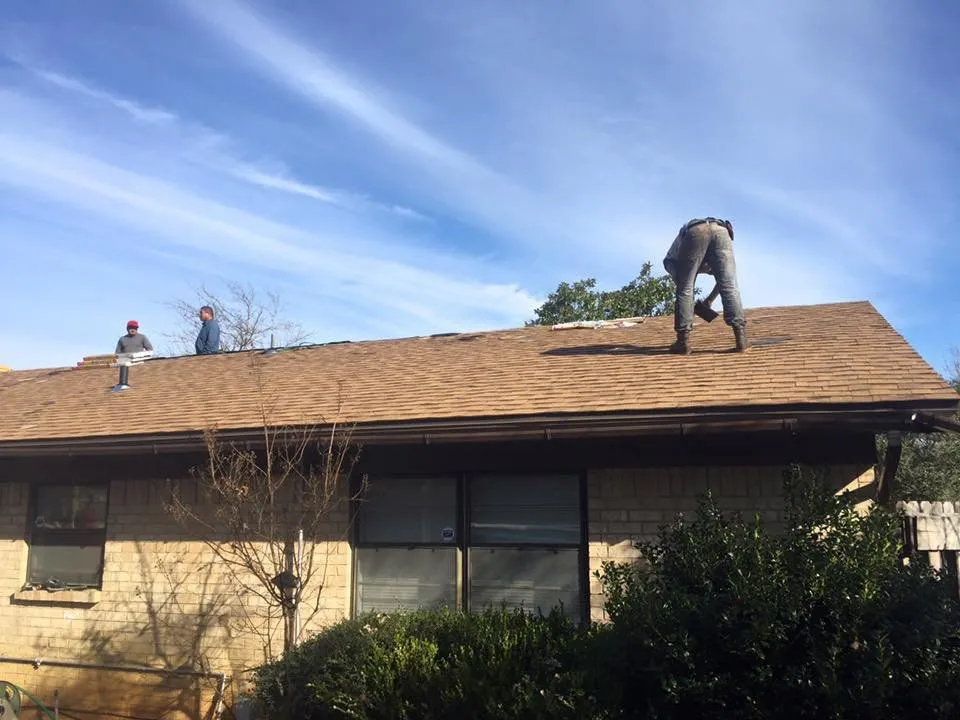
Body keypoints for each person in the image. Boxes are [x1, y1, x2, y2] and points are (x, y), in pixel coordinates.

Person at [663, 217, 748, 354]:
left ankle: (682, 342)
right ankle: (741, 340)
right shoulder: (674, 260)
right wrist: (690, 299)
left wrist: (707, 300)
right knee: (729, 285)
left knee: (685, 288)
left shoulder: (689, 258)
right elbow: (725, 284)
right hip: (720, 231)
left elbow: (685, 288)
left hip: (696, 232)